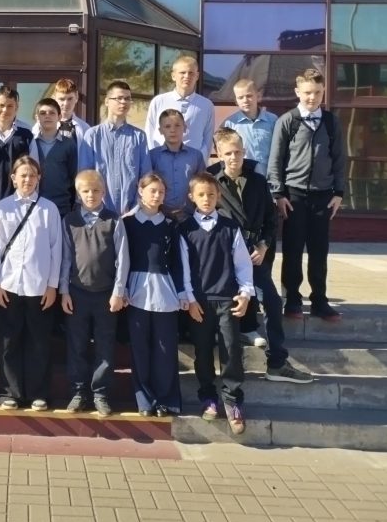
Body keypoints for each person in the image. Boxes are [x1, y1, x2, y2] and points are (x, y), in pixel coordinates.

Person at [210, 128, 314, 384]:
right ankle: (220, 373)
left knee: (272, 301)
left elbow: (271, 218)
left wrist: (265, 245)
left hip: (253, 254)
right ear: (219, 155)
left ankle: (277, 362)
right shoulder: (210, 181)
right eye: (228, 153)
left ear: (244, 152)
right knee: (226, 310)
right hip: (222, 258)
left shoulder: (257, 181)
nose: (234, 158)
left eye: (238, 152)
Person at [267, 68, 346, 322]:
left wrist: (339, 192)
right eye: (308, 92)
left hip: (323, 196)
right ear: (297, 92)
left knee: (319, 251)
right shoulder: (288, 121)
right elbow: (275, 160)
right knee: (293, 250)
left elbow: (339, 159)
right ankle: (292, 300)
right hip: (294, 196)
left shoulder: (331, 122)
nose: (312, 97)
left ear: (323, 92)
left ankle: (320, 300)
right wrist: (278, 194)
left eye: (317, 92)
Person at [180, 172, 254, 436]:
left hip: (227, 300)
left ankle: (233, 401)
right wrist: (189, 299)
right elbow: (183, 268)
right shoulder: (185, 229)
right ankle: (208, 396)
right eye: (201, 194)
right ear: (191, 197)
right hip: (199, 303)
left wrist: (245, 293)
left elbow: (243, 264)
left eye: (211, 194)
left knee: (231, 349)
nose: (206, 199)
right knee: (202, 351)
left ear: (219, 196)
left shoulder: (230, 227)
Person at [0, 157, 62, 411]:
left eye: (32, 175)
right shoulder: (1, 209)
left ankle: (38, 393)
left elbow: (56, 249)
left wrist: (52, 285)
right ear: (13, 179)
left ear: (39, 178)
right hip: (8, 285)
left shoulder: (49, 210)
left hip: (39, 286)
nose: (27, 180)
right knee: (9, 342)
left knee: (38, 342)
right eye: (23, 175)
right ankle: (8, 392)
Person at [59, 170, 129, 417]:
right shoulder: (70, 220)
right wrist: (64, 291)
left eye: (96, 190)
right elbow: (65, 258)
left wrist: (118, 292)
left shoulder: (114, 220)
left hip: (106, 295)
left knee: (104, 345)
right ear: (78, 194)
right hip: (77, 293)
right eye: (85, 191)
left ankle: (101, 393)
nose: (91, 195)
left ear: (104, 192)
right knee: (76, 344)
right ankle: (78, 392)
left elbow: (122, 258)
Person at [123, 173, 189, 416]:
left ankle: (166, 400)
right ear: (140, 191)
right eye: (152, 190)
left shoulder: (171, 224)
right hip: (136, 291)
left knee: (165, 348)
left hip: (165, 291)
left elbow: (178, 261)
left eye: (161, 192)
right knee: (140, 348)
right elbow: (122, 260)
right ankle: (144, 400)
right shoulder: (128, 223)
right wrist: (123, 289)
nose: (157, 195)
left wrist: (182, 292)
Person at [78, 80, 152, 215]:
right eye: (119, 98)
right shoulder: (92, 135)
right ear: (107, 101)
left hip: (132, 212)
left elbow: (146, 177)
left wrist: (135, 208)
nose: (123, 102)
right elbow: (85, 177)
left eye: (127, 99)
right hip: (99, 212)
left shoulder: (139, 136)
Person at [0, 86, 36, 210]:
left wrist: (32, 201)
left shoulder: (26, 136)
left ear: (16, 108)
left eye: (10, 106)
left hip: (20, 204)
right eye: (1, 105)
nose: (5, 110)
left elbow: (34, 170)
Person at [144, 55, 215, 153]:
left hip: (193, 161)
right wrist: (153, 158)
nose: (187, 76)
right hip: (160, 159)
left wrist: (200, 160)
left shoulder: (206, 105)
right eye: (182, 72)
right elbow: (149, 133)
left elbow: (208, 139)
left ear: (197, 76)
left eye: (191, 73)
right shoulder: (159, 101)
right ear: (173, 76)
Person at [148, 109, 206, 216]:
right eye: (167, 126)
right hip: (160, 214)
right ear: (160, 130)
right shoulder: (152, 156)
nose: (173, 130)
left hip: (190, 214)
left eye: (177, 125)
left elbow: (203, 185)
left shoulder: (196, 156)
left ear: (184, 128)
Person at [31, 98, 78, 217]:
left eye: (52, 113)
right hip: (34, 206)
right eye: (43, 113)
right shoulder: (30, 143)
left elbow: (74, 176)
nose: (47, 116)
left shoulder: (69, 144)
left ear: (59, 117)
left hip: (61, 207)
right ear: (37, 117)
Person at [221, 78, 278, 176]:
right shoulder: (230, 124)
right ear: (236, 101)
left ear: (258, 96)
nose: (245, 100)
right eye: (240, 97)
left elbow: (279, 149)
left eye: (249, 96)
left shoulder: (273, 120)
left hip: (270, 176)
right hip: (244, 177)